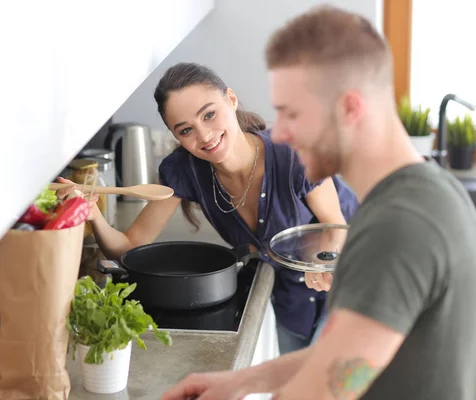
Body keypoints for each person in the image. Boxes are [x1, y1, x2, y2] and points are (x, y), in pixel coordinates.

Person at [160, 5, 476, 400]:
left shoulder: (402, 224)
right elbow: (346, 355)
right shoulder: (417, 195)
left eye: (292, 114)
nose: (283, 133)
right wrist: (241, 381)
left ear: (349, 107)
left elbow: (335, 385)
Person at [58, 61, 358, 354]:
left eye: (209, 114)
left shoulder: (296, 152)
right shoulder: (184, 170)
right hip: (288, 293)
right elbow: (129, 249)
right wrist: (92, 213)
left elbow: (334, 226)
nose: (204, 135)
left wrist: (323, 262)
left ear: (231, 99)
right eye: (185, 130)